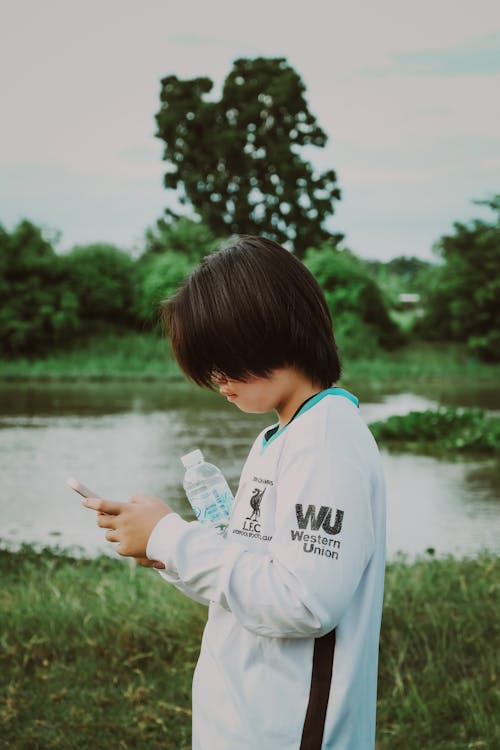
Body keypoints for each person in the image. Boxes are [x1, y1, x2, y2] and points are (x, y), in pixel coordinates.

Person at [83, 236, 386, 750]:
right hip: (239, 720)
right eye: (209, 369)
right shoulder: (278, 437)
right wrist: (164, 554)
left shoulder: (328, 440)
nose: (216, 380)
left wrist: (172, 539)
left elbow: (303, 602)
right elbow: (249, 573)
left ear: (272, 332)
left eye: (224, 361)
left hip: (288, 732)